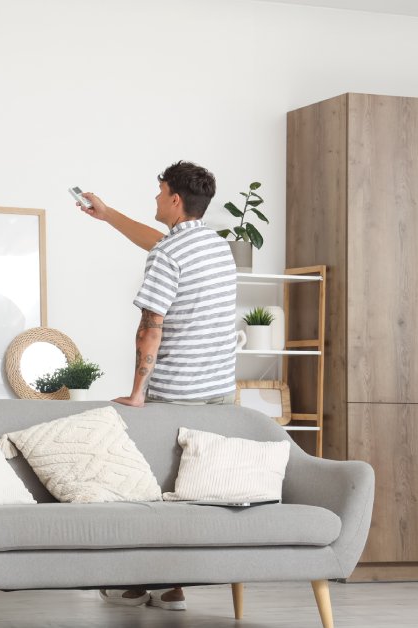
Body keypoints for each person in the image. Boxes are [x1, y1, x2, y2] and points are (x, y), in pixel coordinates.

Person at [79, 161, 238, 611]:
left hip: (175, 394)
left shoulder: (168, 255)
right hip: (218, 393)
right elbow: (162, 246)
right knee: (195, 491)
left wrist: (137, 393)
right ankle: (174, 587)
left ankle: (133, 586)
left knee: (150, 491)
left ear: (173, 199)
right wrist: (108, 215)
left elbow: (151, 326)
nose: (153, 199)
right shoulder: (215, 247)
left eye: (159, 191)